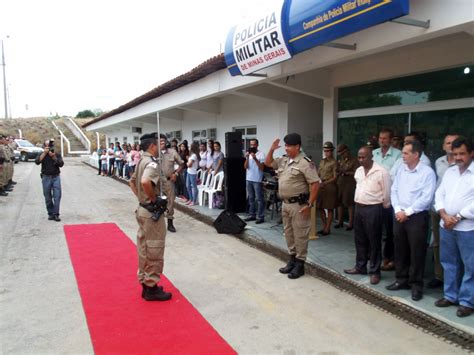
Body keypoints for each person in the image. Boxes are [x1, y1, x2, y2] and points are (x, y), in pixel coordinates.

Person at [265, 133, 320, 279]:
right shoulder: (284, 160)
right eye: (285, 145)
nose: (286, 148)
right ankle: (292, 260)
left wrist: (310, 204)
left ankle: (300, 264)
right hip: (285, 204)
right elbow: (268, 162)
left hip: (299, 205)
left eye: (289, 146)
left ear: (297, 146)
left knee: (300, 235)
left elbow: (315, 184)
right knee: (289, 233)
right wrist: (271, 149)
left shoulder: (305, 162)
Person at [386, 140, 436, 301]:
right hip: (399, 214)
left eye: (406, 153)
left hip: (416, 216)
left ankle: (416, 284)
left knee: (416, 251)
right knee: (400, 249)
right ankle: (401, 279)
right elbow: (394, 190)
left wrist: (407, 212)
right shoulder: (401, 170)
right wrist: (398, 209)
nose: (403, 156)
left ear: (416, 155)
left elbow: (426, 198)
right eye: (402, 153)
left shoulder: (427, 173)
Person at [129, 132, 172, 302]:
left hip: (142, 210)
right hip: (151, 214)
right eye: (158, 144)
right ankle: (151, 287)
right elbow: (146, 182)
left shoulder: (141, 161)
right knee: (154, 248)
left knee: (145, 248)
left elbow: (132, 181)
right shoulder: (151, 163)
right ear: (152, 146)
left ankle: (146, 283)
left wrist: (142, 199)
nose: (160, 146)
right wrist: (153, 200)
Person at [434, 137, 474, 318]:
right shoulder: (450, 172)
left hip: (467, 228)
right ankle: (450, 295)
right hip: (446, 226)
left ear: (471, 153)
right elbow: (439, 193)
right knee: (449, 262)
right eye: (455, 154)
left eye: (462, 154)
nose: (458, 157)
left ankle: (467, 301)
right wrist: (443, 214)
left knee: (470, 266)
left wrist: (457, 217)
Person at [343, 146, 391, 285]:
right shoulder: (358, 171)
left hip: (374, 208)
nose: (361, 160)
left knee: (374, 241)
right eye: (359, 157)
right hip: (359, 207)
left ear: (371, 157)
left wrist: (384, 206)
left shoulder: (381, 172)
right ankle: (360, 266)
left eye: (364, 157)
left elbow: (387, 193)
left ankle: (375, 271)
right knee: (360, 239)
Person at [428, 134, 459, 289]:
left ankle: (456, 281)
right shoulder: (439, 162)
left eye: (454, 143)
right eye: (448, 143)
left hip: (457, 213)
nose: (450, 146)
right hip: (438, 209)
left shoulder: (465, 164)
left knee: (457, 247)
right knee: (438, 244)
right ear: (443, 146)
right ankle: (439, 276)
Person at [372, 128, 402, 272]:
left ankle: (387, 257)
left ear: (390, 140)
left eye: (385, 138)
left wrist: (379, 176)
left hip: (389, 200)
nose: (382, 140)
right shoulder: (374, 153)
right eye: (380, 138)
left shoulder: (398, 155)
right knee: (374, 230)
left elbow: (393, 175)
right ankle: (373, 256)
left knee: (389, 232)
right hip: (374, 198)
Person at [35, 139, 64, 221]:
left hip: (56, 177)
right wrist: (44, 153)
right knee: (47, 197)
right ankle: (50, 213)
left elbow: (61, 164)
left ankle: (56, 214)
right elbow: (37, 162)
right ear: (44, 146)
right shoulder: (41, 154)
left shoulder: (56, 154)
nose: (48, 147)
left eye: (49, 145)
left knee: (57, 196)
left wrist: (53, 157)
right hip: (46, 177)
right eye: (46, 145)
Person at [160, 135, 184, 232]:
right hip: (156, 182)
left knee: (170, 202)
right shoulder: (153, 153)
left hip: (169, 180)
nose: (161, 143)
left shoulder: (172, 152)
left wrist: (176, 173)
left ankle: (170, 223)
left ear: (166, 142)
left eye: (163, 141)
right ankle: (158, 224)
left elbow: (182, 164)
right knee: (156, 202)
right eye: (159, 141)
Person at [317, 141, 338, 235]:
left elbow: (335, 177)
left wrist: (325, 183)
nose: (326, 153)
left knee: (329, 208)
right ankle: (325, 226)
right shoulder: (322, 161)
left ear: (332, 151)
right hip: (321, 185)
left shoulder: (334, 162)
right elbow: (318, 173)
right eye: (325, 151)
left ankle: (327, 228)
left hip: (330, 185)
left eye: (328, 151)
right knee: (319, 207)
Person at [335, 144, 359, 230]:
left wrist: (347, 173)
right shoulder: (341, 160)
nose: (341, 155)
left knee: (349, 204)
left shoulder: (354, 160)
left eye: (342, 153)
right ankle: (340, 222)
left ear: (346, 151)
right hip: (340, 183)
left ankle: (350, 224)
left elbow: (357, 172)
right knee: (339, 203)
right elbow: (338, 170)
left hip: (349, 184)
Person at [244, 138, 266, 224]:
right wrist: (247, 157)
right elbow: (245, 167)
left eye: (254, 145)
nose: (252, 146)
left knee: (259, 199)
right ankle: (251, 215)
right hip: (248, 178)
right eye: (251, 145)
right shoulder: (248, 154)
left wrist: (255, 158)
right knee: (251, 198)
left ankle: (260, 217)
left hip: (257, 179)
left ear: (257, 145)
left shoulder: (261, 154)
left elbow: (262, 168)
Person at [185, 142, 200, 206]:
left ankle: (194, 201)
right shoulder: (192, 155)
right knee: (187, 185)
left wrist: (187, 163)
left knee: (194, 187)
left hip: (193, 173)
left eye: (190, 147)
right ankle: (191, 199)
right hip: (189, 172)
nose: (189, 148)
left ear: (192, 147)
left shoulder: (194, 155)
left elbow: (190, 165)